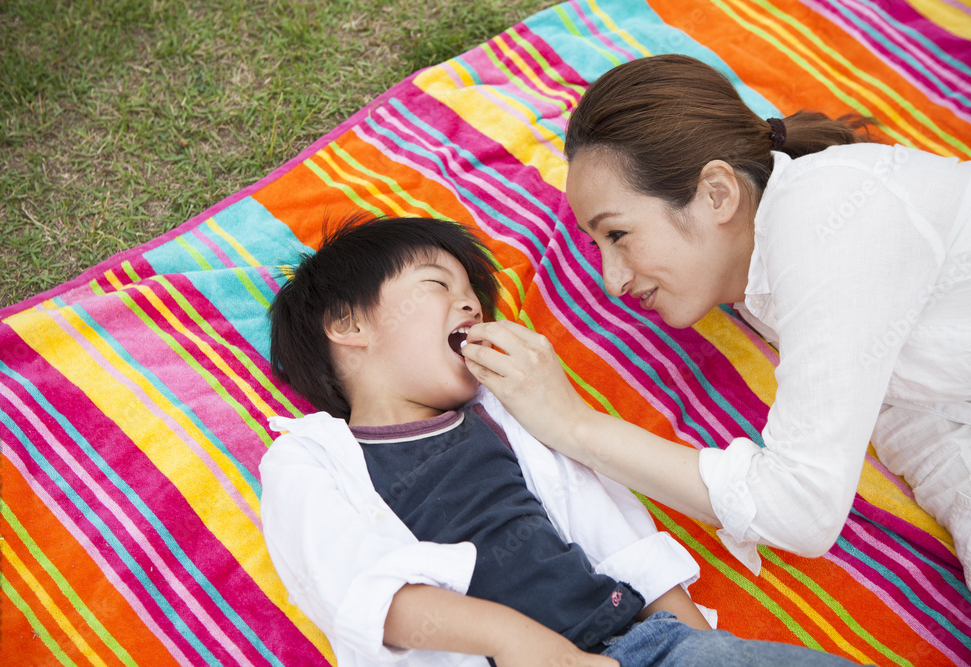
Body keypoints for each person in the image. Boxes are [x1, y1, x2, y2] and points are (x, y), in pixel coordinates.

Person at [460, 54, 971, 585]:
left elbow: (801, 508)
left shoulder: (826, 215)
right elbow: (910, 411)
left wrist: (573, 424)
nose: (612, 280)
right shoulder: (762, 287)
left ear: (717, 194)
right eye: (596, 245)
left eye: (617, 234)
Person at [259, 214, 857, 667]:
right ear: (348, 324)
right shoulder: (308, 458)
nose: (469, 302)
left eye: (474, 294)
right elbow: (360, 594)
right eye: (439, 284)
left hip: (638, 645)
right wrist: (531, 648)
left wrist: (701, 645)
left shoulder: (507, 414)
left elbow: (617, 535)